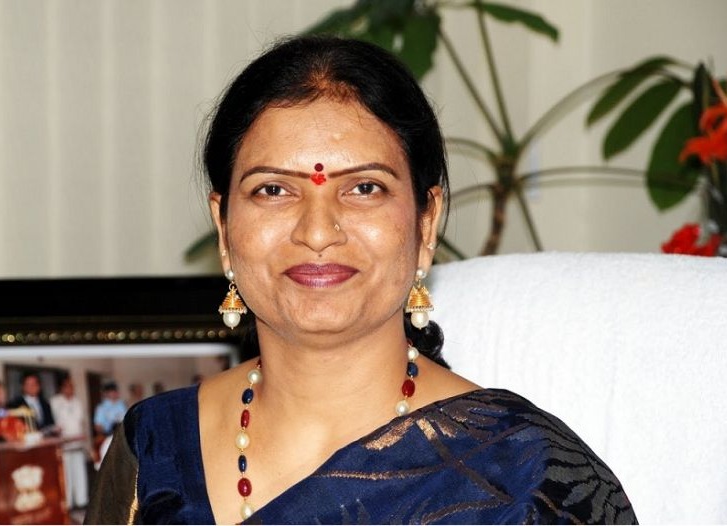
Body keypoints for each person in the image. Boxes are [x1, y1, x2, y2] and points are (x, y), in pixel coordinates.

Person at [86, 36, 636, 524]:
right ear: (224, 228)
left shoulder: (523, 478)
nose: (317, 231)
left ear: (426, 223)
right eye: (273, 190)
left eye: (364, 188)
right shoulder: (156, 448)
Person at [50, 375, 89, 510]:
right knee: (66, 474)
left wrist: (84, 436)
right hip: (63, 444)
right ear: (61, 388)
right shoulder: (55, 402)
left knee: (79, 472)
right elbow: (52, 423)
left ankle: (81, 500)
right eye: (67, 386)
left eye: (72, 386)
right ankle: (68, 503)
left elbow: (81, 422)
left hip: (78, 442)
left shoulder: (78, 402)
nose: (70, 389)